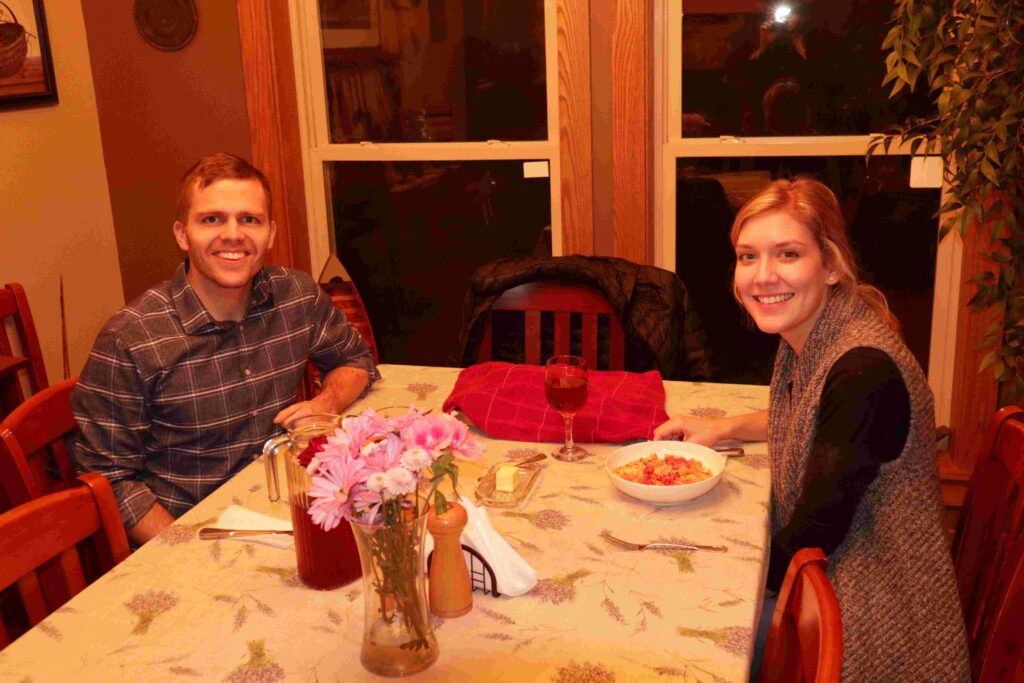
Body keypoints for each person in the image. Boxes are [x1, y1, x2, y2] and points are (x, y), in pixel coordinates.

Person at [654, 178, 969, 681]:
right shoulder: (822, 331)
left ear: (831, 265)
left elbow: (814, 534)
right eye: (748, 256)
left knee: (673, 640)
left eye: (787, 254)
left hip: (873, 616)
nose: (763, 276)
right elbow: (816, 418)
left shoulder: (863, 370)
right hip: (844, 578)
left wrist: (718, 582)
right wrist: (720, 428)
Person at [72, 153, 379, 545]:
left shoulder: (297, 296)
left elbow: (355, 360)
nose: (233, 234)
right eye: (212, 219)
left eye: (249, 219)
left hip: (287, 511)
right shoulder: (129, 340)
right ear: (183, 235)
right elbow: (108, 481)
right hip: (191, 533)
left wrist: (327, 403)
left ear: (270, 233)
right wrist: (183, 550)